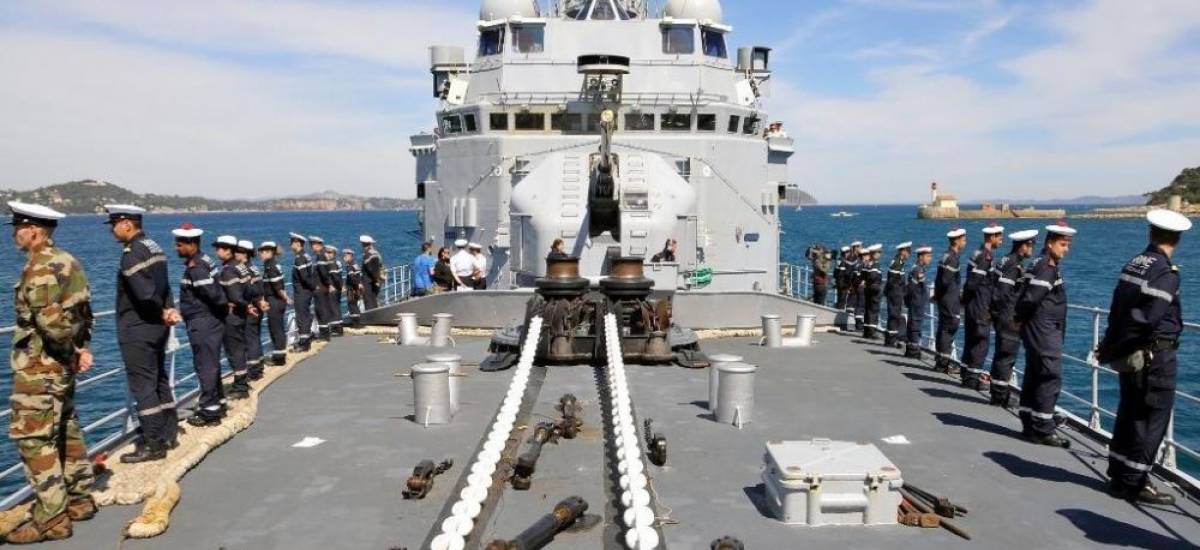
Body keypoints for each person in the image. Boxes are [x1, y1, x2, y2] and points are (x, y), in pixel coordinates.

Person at [4, 202, 95, 543]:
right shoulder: (68, 261)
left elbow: (52, 324)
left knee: (33, 438)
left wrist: (70, 351)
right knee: (65, 429)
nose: (14, 234)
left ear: (33, 230)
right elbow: (83, 314)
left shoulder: (40, 267)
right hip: (61, 367)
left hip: (41, 368)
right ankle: (79, 498)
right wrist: (80, 351)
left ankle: (52, 517)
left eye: (17, 228)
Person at [1098, 210, 1191, 505]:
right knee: (1151, 419)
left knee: (1129, 413)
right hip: (1155, 356)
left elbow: (1118, 309)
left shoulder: (1135, 263)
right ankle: (1135, 482)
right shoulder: (1166, 272)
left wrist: (1112, 345)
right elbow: (1147, 319)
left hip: (1132, 354)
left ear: (1151, 232)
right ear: (1177, 238)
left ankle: (1118, 472)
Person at [104, 205, 178, 464]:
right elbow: (165, 285)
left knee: (143, 385)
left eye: (113, 224)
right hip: (158, 326)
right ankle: (169, 433)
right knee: (159, 379)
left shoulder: (132, 253)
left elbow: (145, 293)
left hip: (138, 328)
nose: (112, 230)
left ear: (126, 224)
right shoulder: (154, 246)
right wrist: (168, 310)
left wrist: (160, 310)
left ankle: (154, 444)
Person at [1015, 221, 1076, 448]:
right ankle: (1043, 428)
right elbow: (1031, 298)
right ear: (1050, 243)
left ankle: (1030, 423)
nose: (1066, 249)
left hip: (1037, 329)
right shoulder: (1046, 267)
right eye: (1062, 244)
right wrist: (1020, 318)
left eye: (1068, 244)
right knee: (1050, 376)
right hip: (1043, 330)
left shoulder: (1038, 263)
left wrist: (1020, 321)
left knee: (1034, 375)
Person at [174, 224, 227, 427]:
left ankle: (209, 412)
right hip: (208, 320)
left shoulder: (197, 268)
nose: (176, 249)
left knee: (205, 366)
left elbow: (214, 295)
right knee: (211, 364)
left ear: (191, 244)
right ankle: (218, 403)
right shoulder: (204, 260)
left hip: (203, 322)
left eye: (179, 245)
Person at [988, 229, 1038, 408]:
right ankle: (999, 396)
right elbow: (1001, 292)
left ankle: (997, 391)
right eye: (1031, 245)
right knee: (1007, 355)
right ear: (1023, 246)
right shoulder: (1014, 265)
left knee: (1001, 353)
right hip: (1009, 317)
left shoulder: (1004, 260)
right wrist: (1005, 314)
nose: (1032, 249)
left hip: (1002, 316)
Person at [960, 223, 1004, 389]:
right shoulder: (985, 257)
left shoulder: (976, 252)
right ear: (991, 237)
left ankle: (966, 374)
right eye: (999, 237)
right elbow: (973, 283)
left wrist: (966, 300)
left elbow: (969, 284)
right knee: (981, 342)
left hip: (973, 304)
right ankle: (973, 379)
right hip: (980, 305)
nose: (1001, 240)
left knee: (970, 340)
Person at [214, 235, 251, 399]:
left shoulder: (229, 270)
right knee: (239, 348)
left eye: (219, 248)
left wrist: (228, 304)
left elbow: (234, 296)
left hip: (232, 316)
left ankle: (240, 386)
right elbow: (249, 290)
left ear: (228, 250)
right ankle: (242, 381)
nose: (217, 252)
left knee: (234, 350)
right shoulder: (241, 267)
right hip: (241, 314)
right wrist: (247, 305)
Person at [934, 228, 966, 373]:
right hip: (950, 300)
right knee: (949, 328)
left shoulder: (945, 256)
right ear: (956, 241)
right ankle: (943, 363)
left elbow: (939, 280)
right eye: (963, 239)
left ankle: (940, 361)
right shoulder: (952, 259)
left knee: (943, 329)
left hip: (944, 299)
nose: (965, 242)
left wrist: (937, 295)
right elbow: (946, 281)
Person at [237, 240, 267, 381]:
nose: (235, 254)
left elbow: (253, 290)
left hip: (251, 308)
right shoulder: (254, 268)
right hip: (258, 306)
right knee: (255, 338)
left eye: (238, 251)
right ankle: (259, 366)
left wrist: (251, 303)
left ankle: (254, 371)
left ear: (245, 254)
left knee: (250, 340)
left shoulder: (246, 270)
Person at [259, 242, 289, 366]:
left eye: (263, 252)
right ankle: (279, 355)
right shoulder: (270, 265)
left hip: (275, 301)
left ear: (270, 252)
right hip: (276, 300)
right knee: (277, 328)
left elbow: (277, 287)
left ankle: (279, 358)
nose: (261, 254)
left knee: (276, 329)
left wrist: (286, 298)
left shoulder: (271, 266)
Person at [905, 246, 933, 359]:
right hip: (917, 302)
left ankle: (911, 349)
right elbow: (918, 287)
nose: (930, 258)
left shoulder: (916, 269)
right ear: (921, 257)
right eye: (928, 256)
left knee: (914, 325)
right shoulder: (918, 270)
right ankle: (913, 352)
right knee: (915, 326)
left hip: (915, 301)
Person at [289, 233, 315, 351]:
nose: (290, 245)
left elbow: (304, 277)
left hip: (302, 292)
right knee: (305, 314)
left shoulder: (299, 258)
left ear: (298, 243)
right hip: (306, 291)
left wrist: (311, 287)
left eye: (292, 242)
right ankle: (307, 337)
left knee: (301, 316)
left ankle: (304, 343)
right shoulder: (307, 256)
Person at [884, 242, 911, 348]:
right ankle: (891, 340)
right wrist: (898, 293)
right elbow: (893, 281)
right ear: (903, 251)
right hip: (895, 294)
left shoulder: (898, 262)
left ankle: (891, 339)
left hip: (896, 294)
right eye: (908, 252)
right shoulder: (897, 263)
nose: (909, 254)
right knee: (894, 315)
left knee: (894, 316)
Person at [310, 236, 334, 340]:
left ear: (319, 245)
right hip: (321, 287)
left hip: (320, 288)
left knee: (321, 310)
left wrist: (328, 284)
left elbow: (324, 273)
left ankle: (324, 334)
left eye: (313, 245)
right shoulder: (321, 256)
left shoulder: (320, 257)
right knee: (321, 309)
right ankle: (324, 332)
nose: (312, 247)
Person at [861, 245, 884, 339]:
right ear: (874, 254)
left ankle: (866, 331)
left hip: (867, 289)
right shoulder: (875, 264)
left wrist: (866, 282)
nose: (880, 254)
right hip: (874, 289)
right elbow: (873, 276)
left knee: (868, 309)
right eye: (879, 252)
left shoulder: (867, 263)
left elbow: (863, 275)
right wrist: (873, 283)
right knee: (874, 310)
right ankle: (872, 332)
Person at [360, 235, 384, 309]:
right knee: (373, 300)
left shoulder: (369, 255)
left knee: (369, 301)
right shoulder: (375, 253)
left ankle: (371, 318)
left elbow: (371, 269)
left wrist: (376, 279)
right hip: (373, 281)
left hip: (369, 282)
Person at [325, 245, 344, 335]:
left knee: (333, 308)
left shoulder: (331, 264)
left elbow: (335, 278)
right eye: (326, 252)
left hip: (333, 289)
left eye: (330, 253)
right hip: (337, 288)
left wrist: (331, 285)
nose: (327, 254)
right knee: (336, 307)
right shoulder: (337, 263)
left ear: (334, 254)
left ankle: (336, 328)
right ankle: (338, 326)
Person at [343, 249, 364, 326]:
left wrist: (356, 284)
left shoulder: (349, 266)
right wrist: (359, 283)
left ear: (350, 256)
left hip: (352, 288)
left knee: (352, 305)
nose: (344, 258)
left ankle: (355, 323)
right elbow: (358, 275)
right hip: (356, 288)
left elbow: (351, 277)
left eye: (345, 256)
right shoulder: (355, 264)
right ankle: (358, 322)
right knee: (355, 304)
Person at [834, 245, 850, 310]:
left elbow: (835, 272)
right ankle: (840, 313)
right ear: (845, 253)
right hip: (843, 283)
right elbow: (844, 273)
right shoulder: (844, 261)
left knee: (839, 298)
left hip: (838, 282)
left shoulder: (838, 260)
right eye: (848, 252)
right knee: (842, 300)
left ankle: (838, 309)